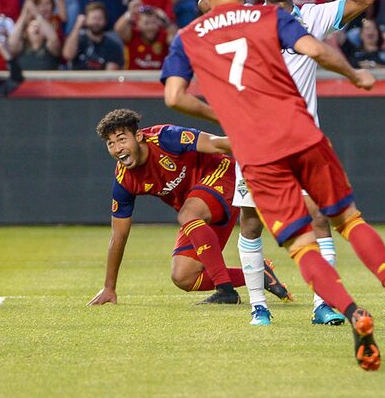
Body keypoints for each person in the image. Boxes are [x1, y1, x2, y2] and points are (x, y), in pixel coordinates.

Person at [162, 0, 385, 370]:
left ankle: (349, 311)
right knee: (349, 219)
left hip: (256, 150)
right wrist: (355, 75)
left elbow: (174, 97)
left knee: (300, 243)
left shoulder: (190, 35)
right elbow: (316, 50)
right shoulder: (268, 20)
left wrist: (230, 116)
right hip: (301, 132)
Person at [218, 0, 375, 326]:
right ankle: (259, 306)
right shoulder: (244, 19)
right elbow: (207, 2)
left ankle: (323, 304)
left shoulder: (313, 16)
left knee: (320, 216)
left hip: (303, 140)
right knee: (252, 222)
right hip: (256, 139)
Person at [88, 109, 292, 307]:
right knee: (183, 276)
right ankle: (258, 274)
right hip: (199, 213)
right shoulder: (125, 181)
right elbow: (119, 235)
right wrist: (109, 287)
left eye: (122, 139)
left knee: (188, 213)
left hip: (222, 176)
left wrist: (262, 148)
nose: (117, 148)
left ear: (139, 136)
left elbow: (215, 143)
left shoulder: (165, 138)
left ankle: (225, 291)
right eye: (110, 144)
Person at [63, 2, 124, 70]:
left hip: (101, 80)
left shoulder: (112, 46)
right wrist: (77, 26)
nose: (96, 22)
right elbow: (68, 55)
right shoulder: (78, 40)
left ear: (105, 21)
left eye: (100, 18)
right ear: (86, 20)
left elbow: (110, 75)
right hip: (77, 80)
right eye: (93, 18)